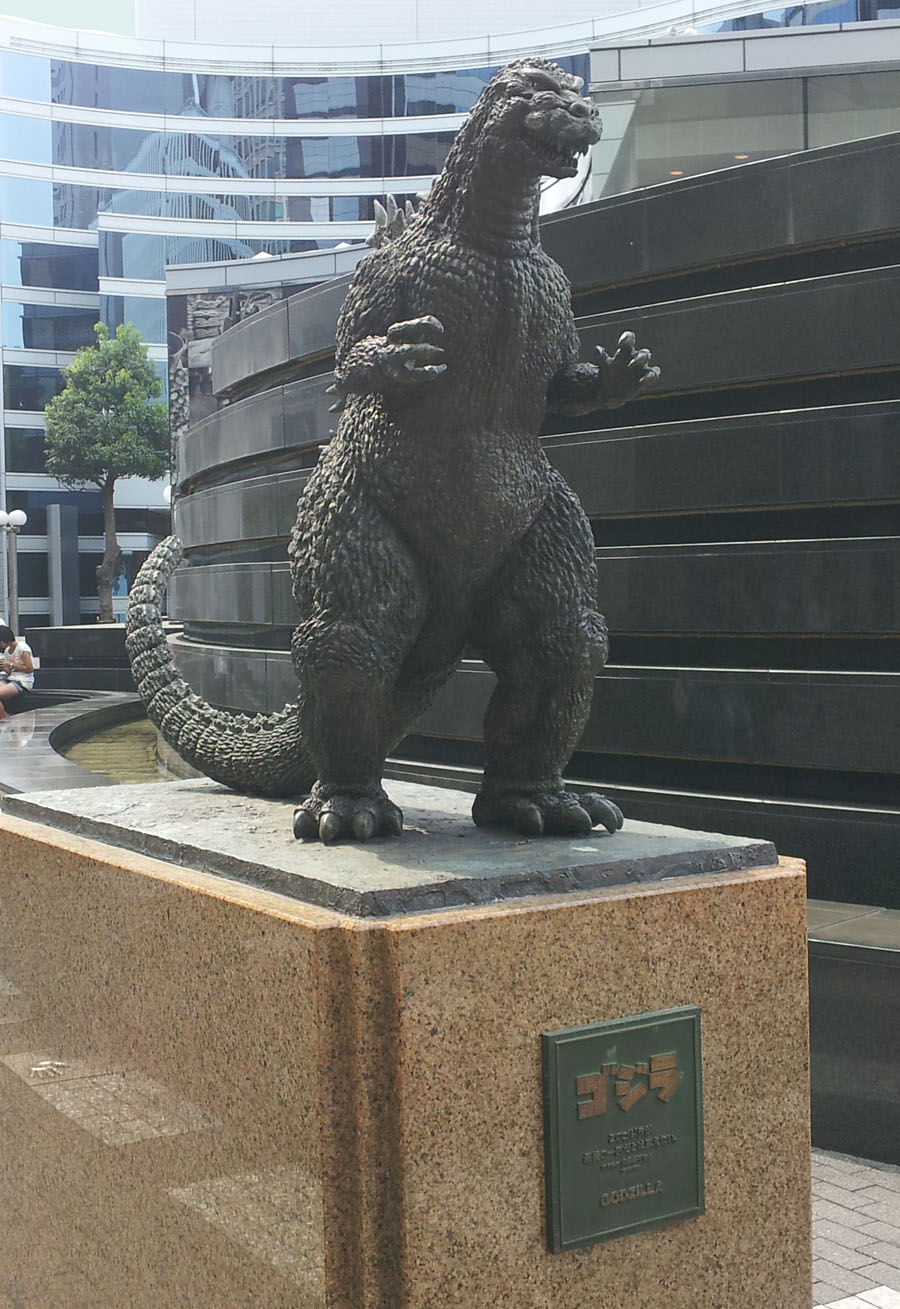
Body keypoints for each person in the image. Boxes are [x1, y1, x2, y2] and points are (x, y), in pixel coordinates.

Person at [0, 625, 34, 717]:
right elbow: (10, 672)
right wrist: (4, 667)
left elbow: (29, 668)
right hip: (11, 678)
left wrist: (10, 664)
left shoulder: (22, 647)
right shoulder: (7, 651)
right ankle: (4, 716)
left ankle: (4, 718)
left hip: (23, 681)